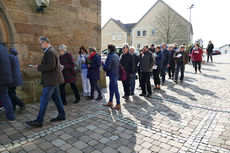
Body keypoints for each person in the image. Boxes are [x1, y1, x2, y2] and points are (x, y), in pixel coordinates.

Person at [25, 36, 66, 127]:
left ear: (45, 43)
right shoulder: (50, 51)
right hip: (53, 80)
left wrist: (38, 67)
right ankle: (62, 115)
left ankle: (39, 121)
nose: (39, 46)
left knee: (44, 100)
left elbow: (51, 66)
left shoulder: (50, 52)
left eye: (40, 44)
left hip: (51, 81)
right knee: (56, 98)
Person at [8, 48, 26, 113]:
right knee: (13, 93)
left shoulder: (10, 57)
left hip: (12, 79)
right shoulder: (15, 57)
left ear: (10, 52)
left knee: (10, 94)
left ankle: (22, 104)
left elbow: (8, 68)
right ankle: (13, 108)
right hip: (16, 78)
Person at [0, 44, 15, 121]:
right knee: (5, 97)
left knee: (5, 96)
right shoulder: (3, 48)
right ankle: (11, 117)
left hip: (1, 78)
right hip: (6, 78)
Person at [103, 44, 120, 109]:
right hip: (115, 74)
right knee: (111, 88)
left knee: (115, 89)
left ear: (109, 49)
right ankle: (110, 101)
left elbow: (108, 68)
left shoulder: (110, 56)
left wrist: (103, 64)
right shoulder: (116, 55)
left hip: (112, 74)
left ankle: (118, 104)